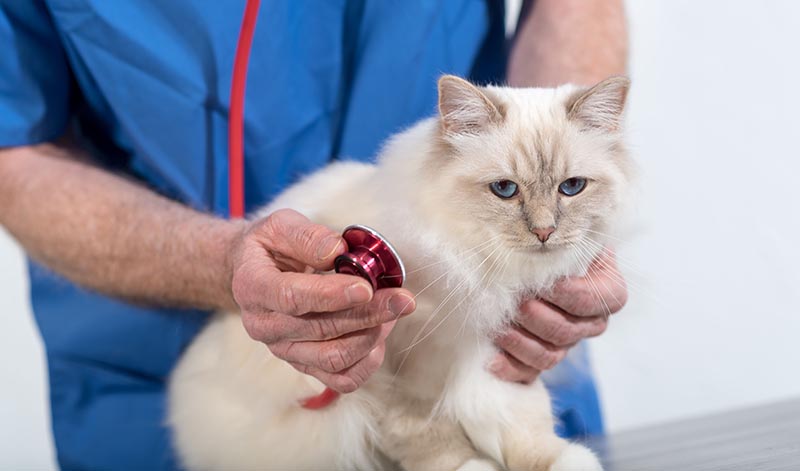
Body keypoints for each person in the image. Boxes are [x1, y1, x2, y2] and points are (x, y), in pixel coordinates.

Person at [0, 0, 628, 469]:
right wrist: (222, 262)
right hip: (167, 370)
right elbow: (13, 149)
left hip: (486, 331)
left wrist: (563, 165)